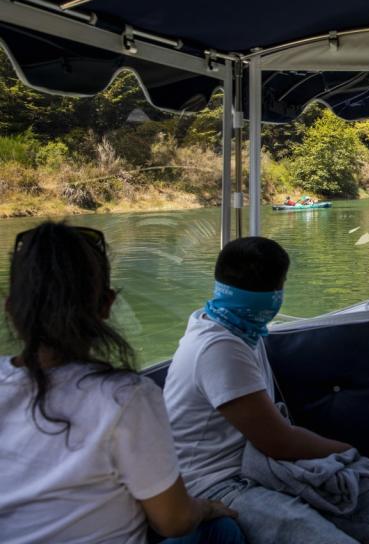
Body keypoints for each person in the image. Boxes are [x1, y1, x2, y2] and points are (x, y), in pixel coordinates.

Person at [0, 222, 242, 544]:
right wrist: (208, 508)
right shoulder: (125, 397)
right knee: (220, 531)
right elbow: (174, 521)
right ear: (106, 305)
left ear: (11, 309)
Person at [162, 236, 369, 544]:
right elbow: (280, 443)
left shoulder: (230, 326)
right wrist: (349, 451)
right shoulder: (219, 348)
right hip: (217, 483)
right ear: (274, 293)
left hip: (261, 466)